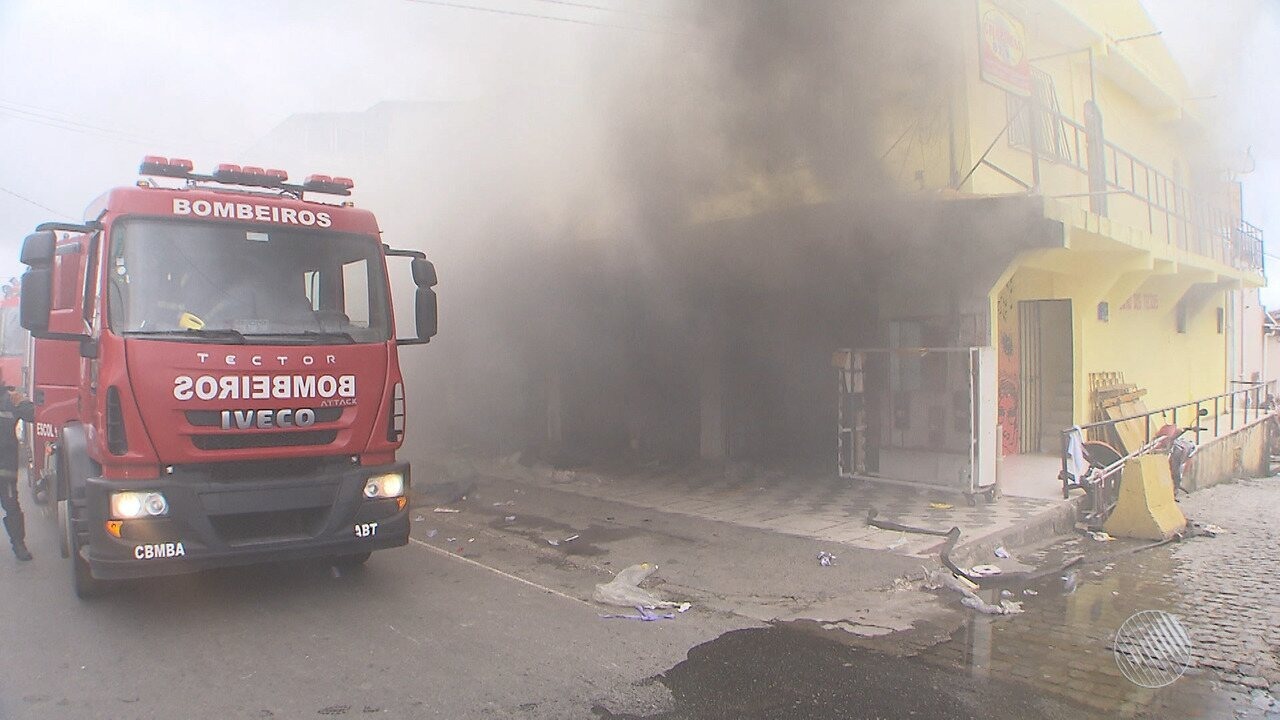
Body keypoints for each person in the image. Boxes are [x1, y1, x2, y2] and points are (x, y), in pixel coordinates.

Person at [0, 387, 34, 561]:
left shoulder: (8, 399)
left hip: (5, 470)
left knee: (12, 507)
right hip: (6, 468)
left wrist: (23, 402)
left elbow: (33, 415)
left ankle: (19, 545)